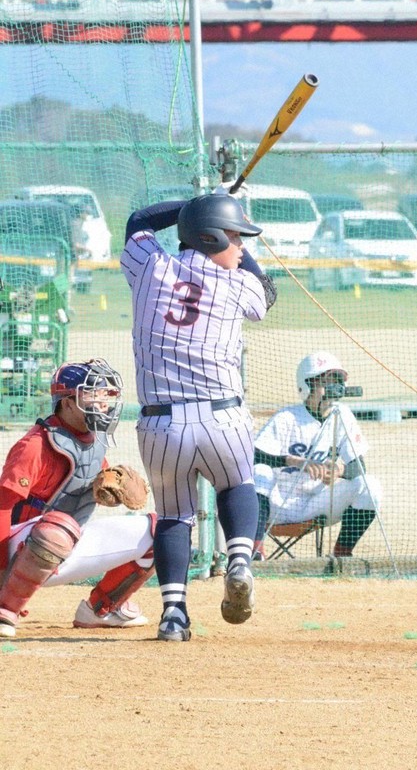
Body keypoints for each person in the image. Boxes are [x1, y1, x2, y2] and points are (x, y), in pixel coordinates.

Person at [120, 190, 277, 642]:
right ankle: (241, 560)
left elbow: (138, 221)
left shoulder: (151, 268)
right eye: (235, 237)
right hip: (223, 418)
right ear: (209, 238)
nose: (243, 247)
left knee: (173, 515)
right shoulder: (237, 284)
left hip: (160, 423)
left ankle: (173, 613)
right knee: (236, 484)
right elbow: (266, 295)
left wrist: (192, 206)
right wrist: (214, 220)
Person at [0, 358, 156, 639]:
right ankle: (4, 607)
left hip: (64, 541)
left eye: (105, 394)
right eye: (92, 394)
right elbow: (2, 507)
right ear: (68, 402)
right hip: (17, 548)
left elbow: (93, 488)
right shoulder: (35, 445)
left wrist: (109, 492)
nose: (103, 401)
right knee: (58, 529)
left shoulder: (94, 442)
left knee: (161, 530)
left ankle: (103, 608)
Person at [253, 351, 381, 559]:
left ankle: (342, 554)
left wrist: (339, 470)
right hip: (276, 502)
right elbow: (253, 456)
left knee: (370, 486)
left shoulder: (343, 415)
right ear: (307, 386)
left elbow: (359, 467)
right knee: (259, 472)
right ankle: (255, 552)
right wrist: (292, 460)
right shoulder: (287, 417)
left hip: (315, 502)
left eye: (336, 381)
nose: (332, 387)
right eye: (325, 381)